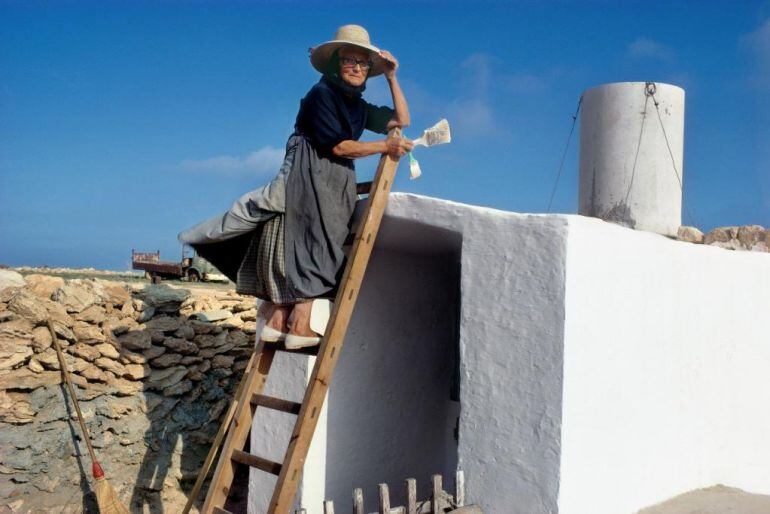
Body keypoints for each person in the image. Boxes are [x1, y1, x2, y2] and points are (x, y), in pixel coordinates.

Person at [178, 24, 413, 349]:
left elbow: (402, 121)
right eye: (350, 61)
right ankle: (299, 325)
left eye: (363, 63)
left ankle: (278, 322)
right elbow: (338, 147)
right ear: (336, 65)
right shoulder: (322, 95)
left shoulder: (358, 106)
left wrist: (391, 76)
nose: (358, 68)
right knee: (316, 242)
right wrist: (384, 148)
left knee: (324, 239)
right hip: (310, 173)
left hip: (334, 179)